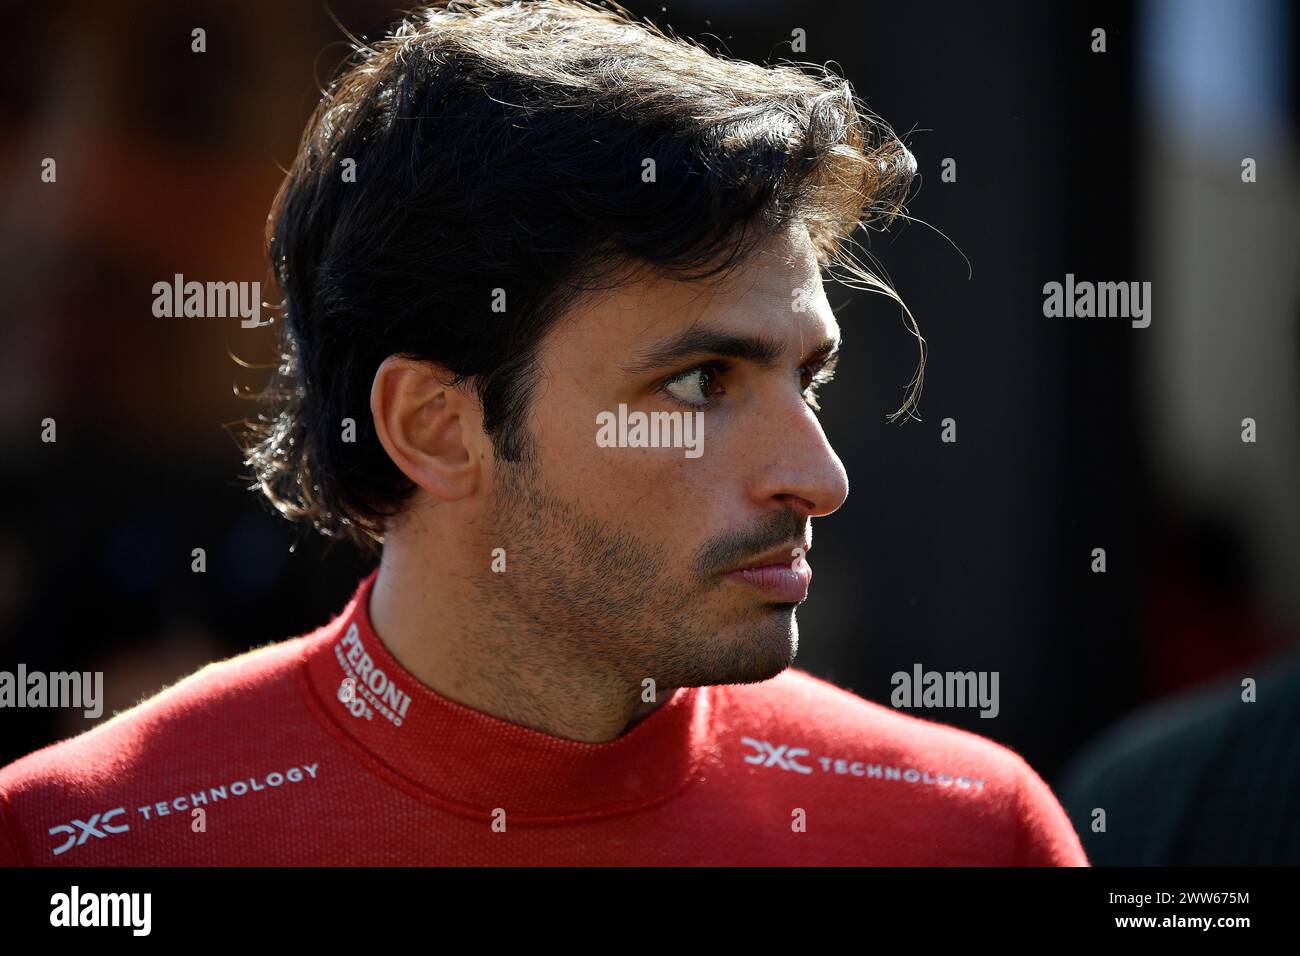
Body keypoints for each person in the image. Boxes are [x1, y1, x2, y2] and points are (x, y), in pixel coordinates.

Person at [0, 0, 1085, 866]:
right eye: (702, 381)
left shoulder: (965, 830)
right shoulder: (84, 840)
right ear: (436, 426)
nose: (819, 476)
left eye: (809, 375)